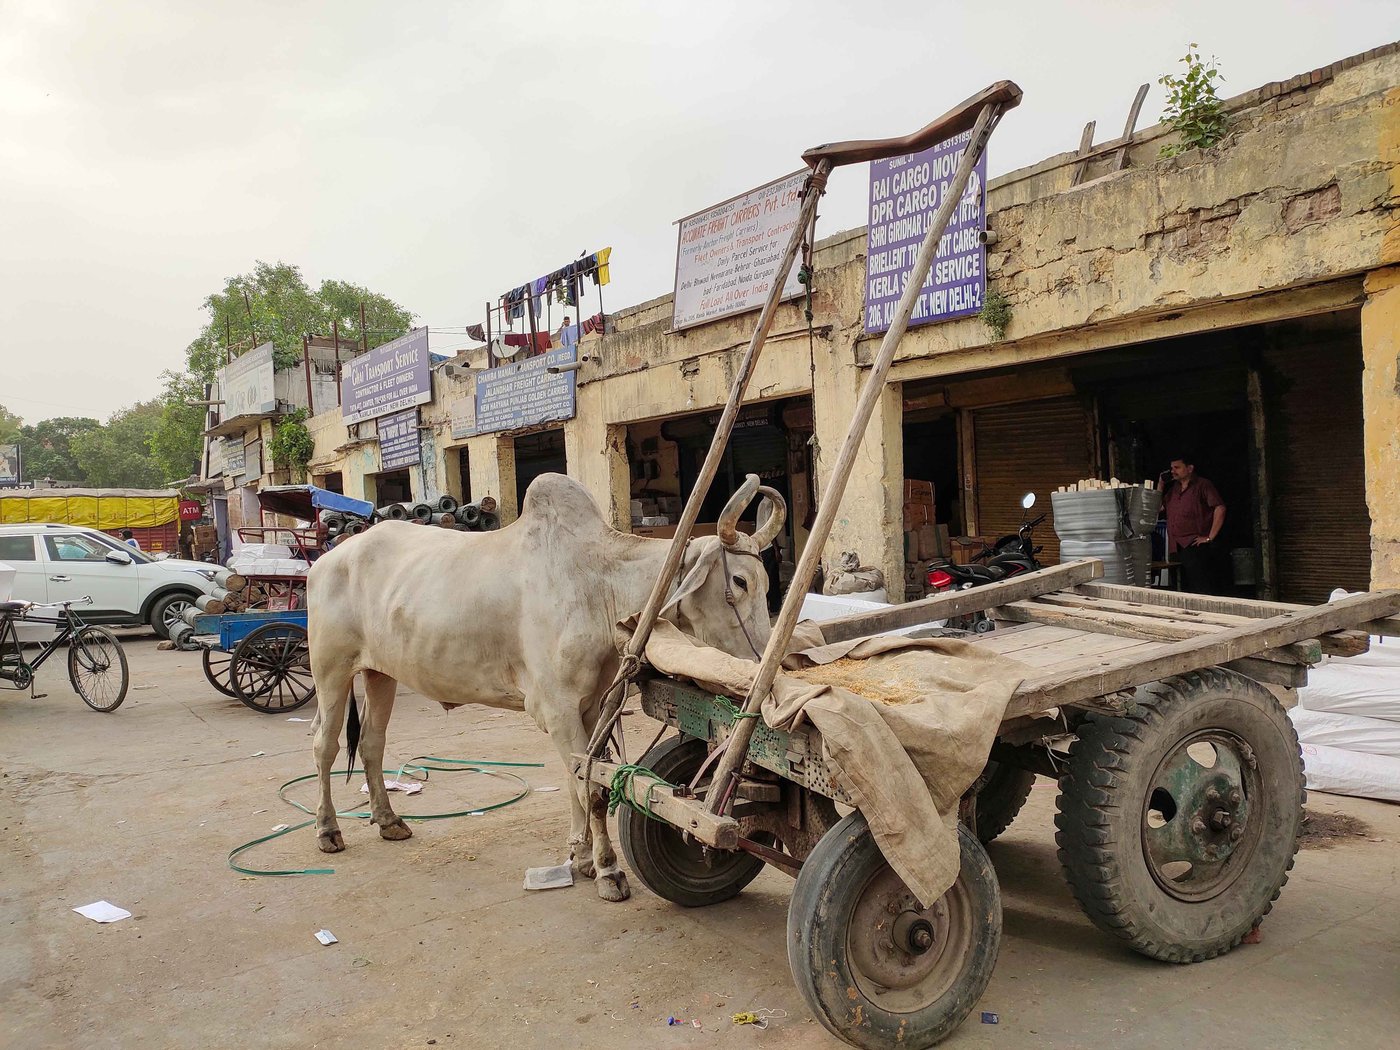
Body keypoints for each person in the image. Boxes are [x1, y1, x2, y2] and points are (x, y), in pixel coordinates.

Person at [1158, 455, 1226, 594]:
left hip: (1194, 544)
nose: (1173, 471)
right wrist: (1160, 485)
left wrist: (1210, 537)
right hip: (1175, 546)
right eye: (1171, 468)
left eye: (1177, 467)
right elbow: (1158, 508)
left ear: (1189, 468)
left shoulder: (1202, 485)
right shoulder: (1173, 489)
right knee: (1181, 587)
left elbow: (1220, 508)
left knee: (1201, 586)